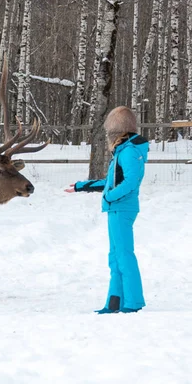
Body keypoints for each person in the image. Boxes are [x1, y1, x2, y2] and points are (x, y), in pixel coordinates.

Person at [65, 106, 149, 314]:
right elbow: (111, 181)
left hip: (122, 208)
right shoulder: (123, 150)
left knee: (124, 254)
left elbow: (131, 181)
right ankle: (114, 302)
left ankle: (132, 302)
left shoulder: (129, 151)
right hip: (116, 208)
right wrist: (81, 186)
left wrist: (110, 196)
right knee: (115, 256)